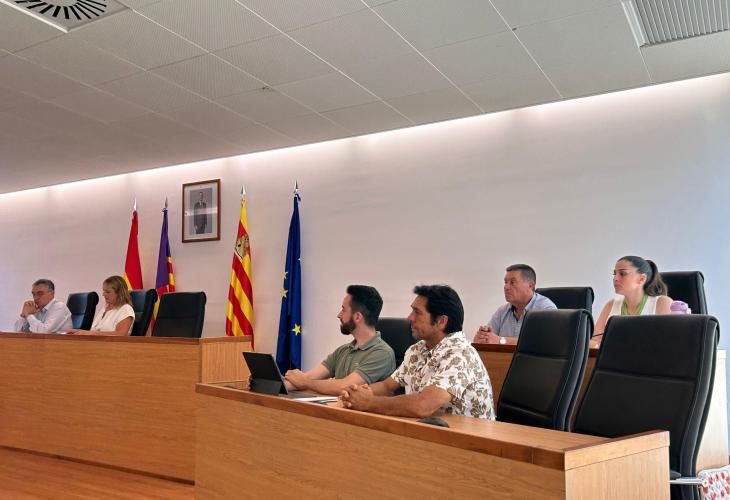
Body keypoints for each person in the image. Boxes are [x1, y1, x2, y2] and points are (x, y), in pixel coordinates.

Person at [340, 285, 494, 420]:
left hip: (470, 439)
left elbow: (423, 405)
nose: (409, 318)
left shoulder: (461, 354)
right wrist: (355, 394)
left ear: (441, 321)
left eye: (417, 313)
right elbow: (387, 386)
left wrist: (369, 402)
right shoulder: (417, 350)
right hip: (430, 431)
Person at [283, 285, 396, 396]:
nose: (339, 315)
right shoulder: (343, 350)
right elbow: (307, 377)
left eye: (343, 310)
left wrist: (305, 382)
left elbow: (345, 387)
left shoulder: (382, 353)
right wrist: (279, 384)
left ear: (357, 317)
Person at [592, 256, 672, 343]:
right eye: (614, 273)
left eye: (622, 274)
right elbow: (594, 341)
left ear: (642, 279)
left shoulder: (662, 302)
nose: (615, 278)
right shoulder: (611, 304)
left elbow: (669, 341)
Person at [473, 264, 556, 345]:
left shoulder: (546, 309)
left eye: (512, 282)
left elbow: (545, 342)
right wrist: (482, 337)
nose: (506, 287)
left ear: (530, 285)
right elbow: (488, 340)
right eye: (505, 282)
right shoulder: (502, 311)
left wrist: (501, 340)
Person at [68, 276, 134, 336]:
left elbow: (120, 334)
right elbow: (96, 331)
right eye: (104, 291)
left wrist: (90, 333)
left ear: (119, 293)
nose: (103, 294)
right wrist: (77, 331)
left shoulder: (126, 309)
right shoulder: (104, 307)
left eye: (108, 292)